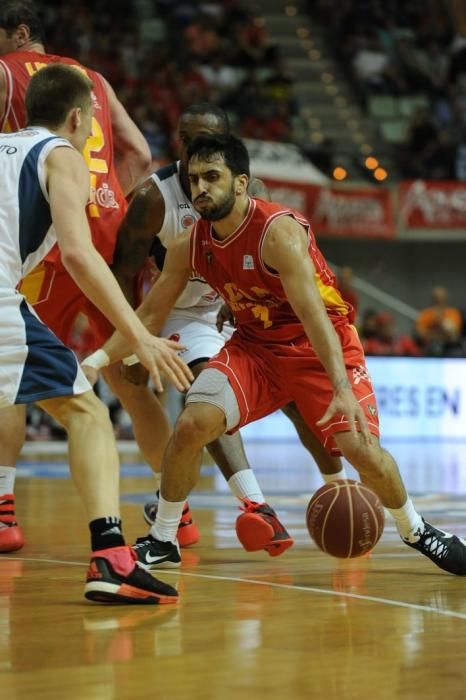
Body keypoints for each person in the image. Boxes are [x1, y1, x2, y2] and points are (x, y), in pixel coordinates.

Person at [93, 133, 466, 576]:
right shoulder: (191, 243)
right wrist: (93, 364)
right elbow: (150, 313)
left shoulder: (279, 233)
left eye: (212, 177)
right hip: (255, 349)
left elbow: (316, 319)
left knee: (360, 451)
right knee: (194, 421)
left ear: (240, 183)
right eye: (193, 179)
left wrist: (342, 389)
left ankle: (416, 530)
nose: (200, 189)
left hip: (316, 347)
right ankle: (164, 538)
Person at [108, 102, 347, 560]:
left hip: (227, 307)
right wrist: (138, 345)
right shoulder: (152, 198)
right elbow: (124, 270)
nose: (194, 148)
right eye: (186, 138)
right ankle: (256, 505)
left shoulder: (248, 191)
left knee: (297, 402)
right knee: (205, 393)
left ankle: (340, 489)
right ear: (177, 142)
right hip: (173, 311)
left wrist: (244, 302)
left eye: (205, 139)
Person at [0, 63, 193, 602]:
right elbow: (82, 256)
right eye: (91, 123)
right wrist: (141, 334)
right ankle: (110, 558)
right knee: (88, 413)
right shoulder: (61, 155)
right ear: (79, 115)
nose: (91, 133)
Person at [416, 285, 463, 356]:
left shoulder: (453, 313)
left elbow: (453, 336)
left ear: (446, 298)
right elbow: (421, 334)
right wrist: (442, 335)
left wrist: (440, 320)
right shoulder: (426, 314)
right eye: (436, 297)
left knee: (457, 353)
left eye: (441, 296)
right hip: (430, 346)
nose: (439, 299)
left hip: (450, 347)